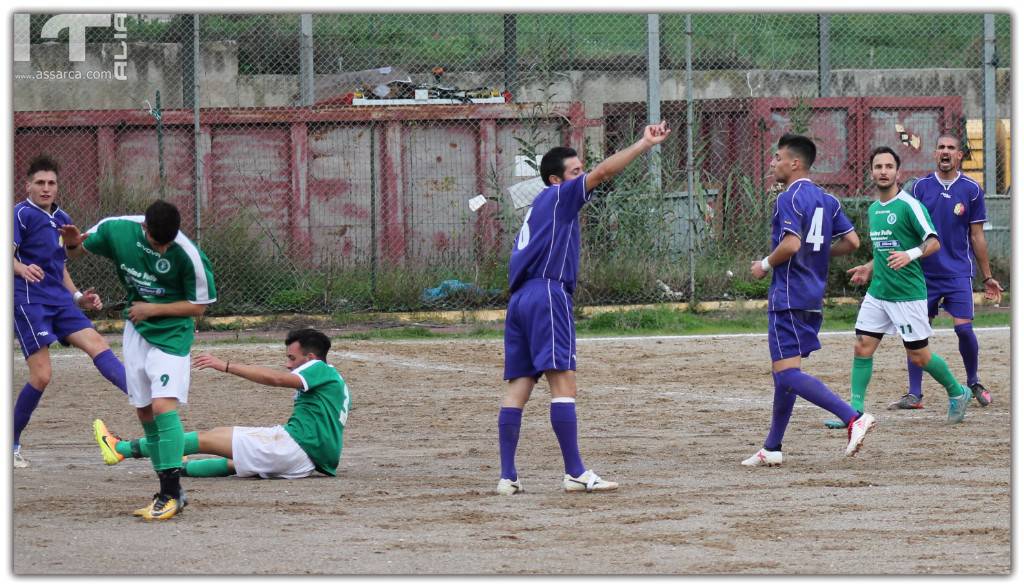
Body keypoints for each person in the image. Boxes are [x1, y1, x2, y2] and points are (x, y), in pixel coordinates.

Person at [495, 121, 670, 495]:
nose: (583, 177)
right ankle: (574, 471)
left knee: (518, 390)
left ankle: (507, 476)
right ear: (556, 181)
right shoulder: (559, 197)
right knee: (563, 384)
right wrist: (643, 144)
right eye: (575, 172)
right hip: (547, 295)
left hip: (521, 300)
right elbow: (605, 172)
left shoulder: (539, 205)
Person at [61, 200, 215, 520]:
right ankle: (168, 491)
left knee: (162, 407)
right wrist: (74, 243)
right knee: (144, 409)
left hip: (173, 334)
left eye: (167, 244)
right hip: (137, 330)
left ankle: (171, 493)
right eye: (157, 243)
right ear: (145, 228)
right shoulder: (117, 230)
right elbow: (75, 253)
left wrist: (153, 308)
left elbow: (199, 306)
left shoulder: (188, 255)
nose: (162, 250)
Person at [741, 133, 875, 468]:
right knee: (783, 375)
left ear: (794, 163)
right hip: (812, 296)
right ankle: (772, 447)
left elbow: (789, 245)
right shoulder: (827, 199)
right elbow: (853, 241)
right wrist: (818, 253)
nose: (773, 163)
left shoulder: (789, 197)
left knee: (787, 376)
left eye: (777, 158)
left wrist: (764, 265)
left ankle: (852, 417)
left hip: (788, 296)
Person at [92, 328, 351, 482]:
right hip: (308, 461)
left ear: (312, 357)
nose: (288, 364)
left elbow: (276, 379)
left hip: (295, 446)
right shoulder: (336, 378)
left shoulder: (318, 369)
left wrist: (225, 366)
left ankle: (122, 449)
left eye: (292, 358)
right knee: (233, 462)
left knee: (206, 438)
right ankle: (177, 469)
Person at [837, 147, 973, 425]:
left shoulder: (910, 205)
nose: (883, 171)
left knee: (920, 356)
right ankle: (854, 413)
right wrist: (868, 267)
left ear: (898, 173)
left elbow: (934, 241)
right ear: (872, 172)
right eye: (878, 166)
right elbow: (885, 248)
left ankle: (958, 392)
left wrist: (910, 254)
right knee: (862, 346)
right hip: (879, 292)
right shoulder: (874, 209)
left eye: (888, 166)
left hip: (907, 295)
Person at [12, 155, 128, 469]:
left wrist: (77, 297)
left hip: (59, 302)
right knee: (42, 376)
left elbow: (59, 265)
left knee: (99, 346)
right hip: (29, 301)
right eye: (40, 183)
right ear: (28, 185)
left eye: (51, 183)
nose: (46, 188)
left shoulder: (62, 218)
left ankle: (148, 403)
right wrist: (20, 267)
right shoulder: (19, 215)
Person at [893, 133, 1002, 409]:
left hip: (957, 274)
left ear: (959, 156)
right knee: (916, 333)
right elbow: (905, 229)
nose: (945, 151)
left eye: (951, 148)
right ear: (934, 154)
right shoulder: (919, 188)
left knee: (964, 330)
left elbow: (977, 236)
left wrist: (987, 276)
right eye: (941, 147)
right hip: (923, 274)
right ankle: (914, 393)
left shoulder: (971, 189)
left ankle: (974, 381)